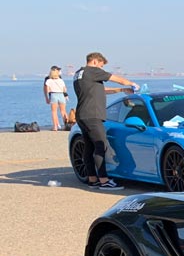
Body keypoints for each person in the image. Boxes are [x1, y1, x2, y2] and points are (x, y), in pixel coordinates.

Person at [73, 52, 138, 190]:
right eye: (101, 66)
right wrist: (131, 84)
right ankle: (104, 180)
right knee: (100, 146)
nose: (101, 69)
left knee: (89, 147)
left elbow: (103, 90)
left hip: (82, 114)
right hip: (93, 115)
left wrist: (122, 90)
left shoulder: (79, 74)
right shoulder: (93, 71)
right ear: (95, 61)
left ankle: (92, 179)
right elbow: (115, 78)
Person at [44, 66, 69, 131]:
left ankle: (55, 126)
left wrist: (47, 98)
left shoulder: (49, 81)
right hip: (61, 95)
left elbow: (47, 90)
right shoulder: (61, 80)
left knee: (54, 112)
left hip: (54, 94)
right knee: (63, 111)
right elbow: (64, 89)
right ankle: (66, 125)